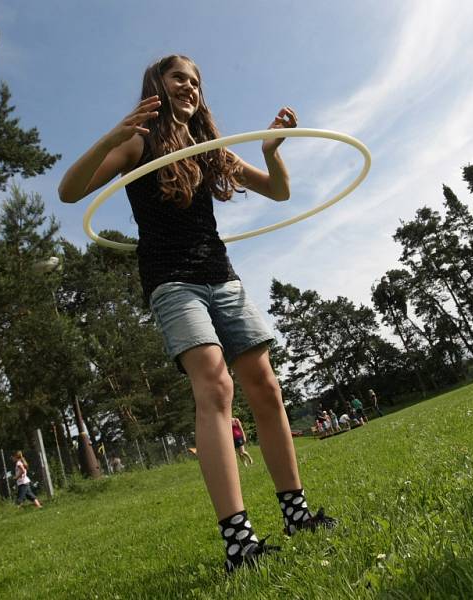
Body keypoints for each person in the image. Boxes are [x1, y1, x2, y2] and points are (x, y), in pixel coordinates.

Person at [59, 55, 335, 572]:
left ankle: (296, 514)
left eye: (195, 80)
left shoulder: (210, 151)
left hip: (221, 275)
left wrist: (272, 151)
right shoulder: (138, 142)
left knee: (266, 386)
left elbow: (278, 191)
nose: (189, 85)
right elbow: (69, 191)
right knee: (215, 386)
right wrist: (111, 135)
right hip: (172, 282)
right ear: (157, 87)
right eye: (178, 77)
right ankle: (239, 543)